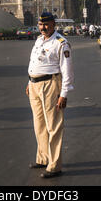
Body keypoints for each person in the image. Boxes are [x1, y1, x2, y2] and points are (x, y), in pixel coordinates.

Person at [26, 12, 74, 179]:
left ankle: (54, 165)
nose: (43, 28)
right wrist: (30, 82)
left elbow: (67, 70)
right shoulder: (39, 40)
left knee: (53, 126)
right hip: (34, 85)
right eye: (40, 24)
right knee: (39, 124)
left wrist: (64, 93)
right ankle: (43, 157)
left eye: (46, 24)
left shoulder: (61, 43)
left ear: (53, 24)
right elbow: (35, 61)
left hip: (51, 85)